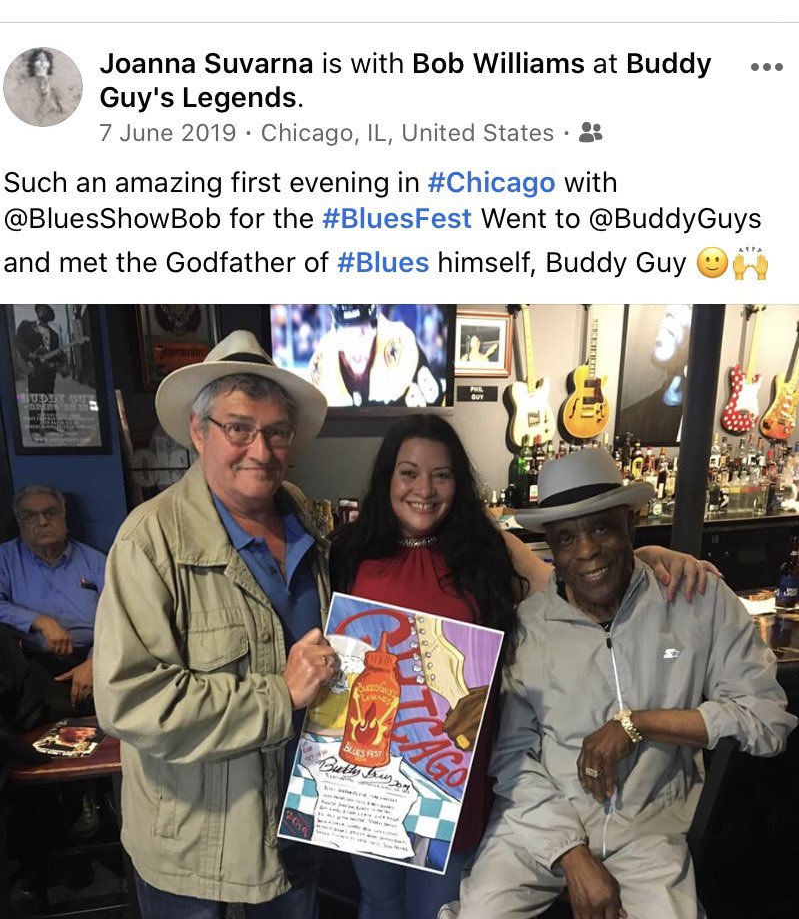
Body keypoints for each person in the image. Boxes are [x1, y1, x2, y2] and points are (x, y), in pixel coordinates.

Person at [329, 415, 718, 919]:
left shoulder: (490, 550)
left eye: (441, 474)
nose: (424, 489)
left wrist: (644, 552)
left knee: (437, 908)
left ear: (458, 483)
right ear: (387, 480)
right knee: (377, 901)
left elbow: (576, 577)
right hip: (369, 765)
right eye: (408, 473)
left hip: (452, 772)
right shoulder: (349, 552)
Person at [443, 448, 796, 919]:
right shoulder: (527, 627)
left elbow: (768, 722)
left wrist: (640, 724)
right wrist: (571, 852)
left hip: (650, 830)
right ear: (550, 543)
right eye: (567, 538)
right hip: (541, 824)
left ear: (631, 524)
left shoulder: (696, 600)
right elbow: (512, 758)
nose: (586, 551)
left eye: (602, 527)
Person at [93, 330, 336, 918]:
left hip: (298, 831)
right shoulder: (149, 541)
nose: (260, 448)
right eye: (238, 428)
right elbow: (131, 701)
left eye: (277, 431)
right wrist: (279, 694)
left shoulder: (308, 518)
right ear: (199, 432)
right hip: (198, 859)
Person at [0, 485, 105, 720]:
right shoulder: (5, 558)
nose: (42, 521)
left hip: (93, 656)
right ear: (20, 522)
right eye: (30, 516)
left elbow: (118, 617)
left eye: (50, 513)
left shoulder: (95, 561)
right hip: (32, 663)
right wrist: (38, 621)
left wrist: (94, 661)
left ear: (63, 518)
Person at [309, 304, 443, 407]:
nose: (356, 346)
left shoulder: (401, 346)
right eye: (347, 335)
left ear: (375, 329)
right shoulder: (322, 365)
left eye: (362, 333)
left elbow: (435, 410)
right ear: (336, 335)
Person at [618, 304, 693, 444]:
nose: (663, 326)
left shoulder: (695, 418)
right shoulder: (630, 417)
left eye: (675, 320)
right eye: (667, 316)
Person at [14, 304, 65, 442]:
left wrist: (61, 356)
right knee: (35, 400)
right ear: (37, 311)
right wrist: (30, 355)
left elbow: (56, 356)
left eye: (46, 309)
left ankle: (51, 426)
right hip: (34, 369)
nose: (42, 310)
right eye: (40, 308)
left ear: (49, 315)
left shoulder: (54, 335)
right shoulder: (26, 325)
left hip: (49, 371)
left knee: (49, 400)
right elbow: (18, 342)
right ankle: (35, 430)